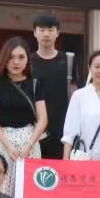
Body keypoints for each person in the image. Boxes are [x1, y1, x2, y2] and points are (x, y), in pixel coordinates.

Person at [0, 37, 47, 195]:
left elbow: (43, 119)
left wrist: (29, 145)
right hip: (3, 143)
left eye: (21, 57)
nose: (16, 62)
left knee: (29, 193)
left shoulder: (35, 84)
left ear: (27, 60)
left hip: (29, 143)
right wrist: (8, 146)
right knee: (1, 191)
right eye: (11, 57)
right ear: (4, 59)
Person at [28, 12, 75, 160]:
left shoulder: (68, 61)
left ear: (58, 33)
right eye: (42, 30)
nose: (46, 34)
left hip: (63, 131)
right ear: (35, 33)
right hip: (35, 132)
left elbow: (76, 95)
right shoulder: (28, 63)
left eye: (51, 30)